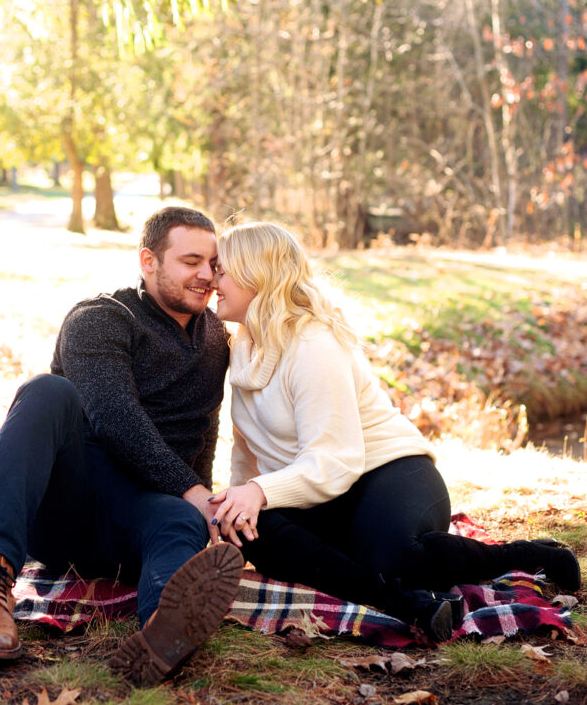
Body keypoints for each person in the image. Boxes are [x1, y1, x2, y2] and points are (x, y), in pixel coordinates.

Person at [208, 222, 580, 640]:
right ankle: (410, 605)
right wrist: (237, 507)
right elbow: (247, 448)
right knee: (253, 531)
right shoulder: (241, 347)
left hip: (388, 470)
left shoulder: (312, 344)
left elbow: (335, 461)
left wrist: (258, 491)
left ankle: (523, 557)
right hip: (321, 494)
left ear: (256, 274)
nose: (211, 279)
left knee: (392, 560)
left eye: (221, 269)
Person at [0, 206, 244, 685]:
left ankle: (162, 633)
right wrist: (194, 489)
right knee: (47, 392)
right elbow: (115, 419)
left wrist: (202, 502)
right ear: (148, 261)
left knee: (179, 520)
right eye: (190, 261)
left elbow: (203, 427)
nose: (205, 275)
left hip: (141, 516)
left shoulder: (215, 336)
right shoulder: (101, 319)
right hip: (69, 507)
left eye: (212, 263)